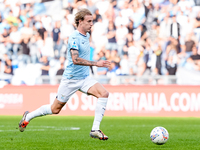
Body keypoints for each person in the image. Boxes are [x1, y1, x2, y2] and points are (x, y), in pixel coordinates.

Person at [18, 8, 111, 141]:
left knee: (104, 94)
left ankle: (95, 129)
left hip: (84, 78)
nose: (91, 24)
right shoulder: (74, 37)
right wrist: (96, 63)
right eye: (89, 21)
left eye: (92, 21)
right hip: (71, 80)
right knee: (55, 109)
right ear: (80, 22)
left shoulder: (87, 35)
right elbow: (75, 59)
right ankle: (28, 117)